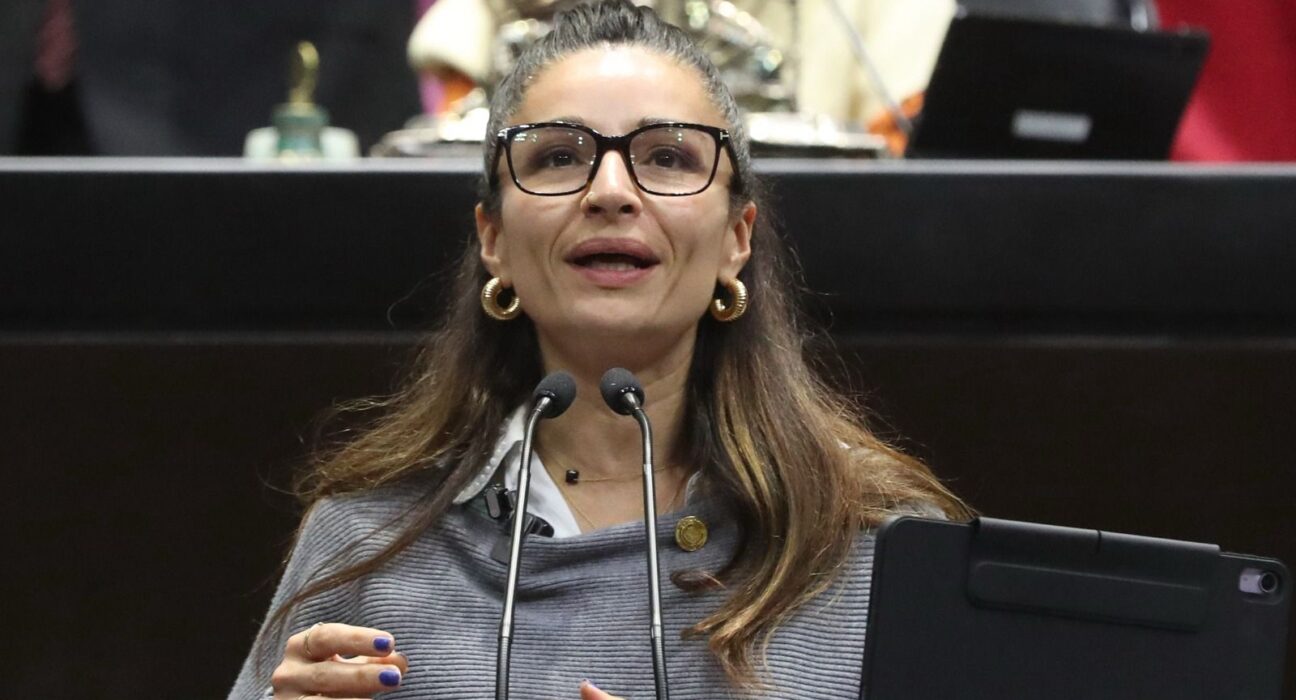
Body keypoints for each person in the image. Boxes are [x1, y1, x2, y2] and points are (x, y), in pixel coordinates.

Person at [229, 1, 969, 697]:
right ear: (494, 239)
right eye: (559, 156)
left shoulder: (882, 544)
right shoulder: (367, 536)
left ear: (736, 239)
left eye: (667, 157)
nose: (611, 191)